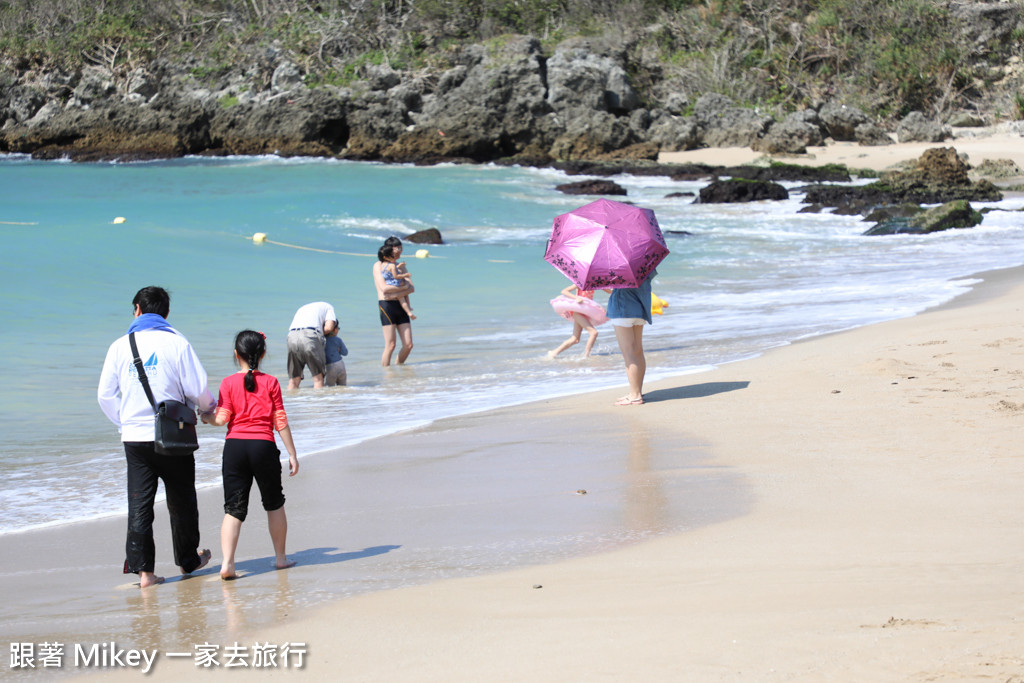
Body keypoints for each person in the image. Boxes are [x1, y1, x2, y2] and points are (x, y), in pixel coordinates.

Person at [97, 286, 215, 588]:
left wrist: (125, 422)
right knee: (182, 500)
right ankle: (189, 560)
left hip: (135, 438)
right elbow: (198, 388)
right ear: (167, 312)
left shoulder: (119, 346)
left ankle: (144, 573)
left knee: (139, 503)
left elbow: (104, 396)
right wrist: (207, 410)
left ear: (136, 309)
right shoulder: (177, 343)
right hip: (173, 434)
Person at [202, 330, 299, 580]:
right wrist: (292, 453)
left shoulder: (227, 383)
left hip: (235, 448)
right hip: (263, 447)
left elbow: (222, 419)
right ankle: (280, 559)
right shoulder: (271, 382)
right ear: (263, 354)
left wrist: (205, 417)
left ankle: (228, 564)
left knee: (233, 509)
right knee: (274, 503)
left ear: (236, 355)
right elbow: (280, 420)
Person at [606, 270, 657, 406]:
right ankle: (636, 392)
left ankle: (635, 395)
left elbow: (610, 288)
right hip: (640, 309)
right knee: (637, 352)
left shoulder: (617, 268)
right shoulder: (645, 265)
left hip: (622, 310)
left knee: (629, 354)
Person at [373, 236, 415, 366]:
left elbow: (411, 288)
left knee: (408, 345)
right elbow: (384, 288)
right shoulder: (378, 265)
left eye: (401, 248)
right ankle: (386, 375)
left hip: (401, 306)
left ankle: (398, 369)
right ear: (389, 249)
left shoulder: (401, 266)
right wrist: (403, 288)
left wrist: (397, 292)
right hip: (387, 306)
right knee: (390, 345)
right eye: (397, 248)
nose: (399, 251)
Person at [548, 283, 611, 359]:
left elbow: (610, 291)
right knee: (593, 333)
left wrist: (620, 289)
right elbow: (564, 291)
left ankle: (553, 353)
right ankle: (586, 356)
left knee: (575, 339)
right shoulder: (580, 283)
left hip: (584, 313)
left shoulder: (594, 284)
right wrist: (576, 298)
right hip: (577, 312)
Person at [286, 301, 338, 389]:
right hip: (310, 336)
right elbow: (329, 327)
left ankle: (292, 401)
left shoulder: (302, 308)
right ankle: (318, 402)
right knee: (318, 378)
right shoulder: (329, 307)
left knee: (293, 379)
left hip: (291, 336)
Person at [379, 244, 416, 320]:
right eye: (392, 256)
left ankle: (408, 308)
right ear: (386, 257)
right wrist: (405, 275)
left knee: (402, 296)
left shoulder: (382, 265)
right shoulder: (392, 265)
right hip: (395, 282)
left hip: (388, 283)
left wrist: (399, 266)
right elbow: (395, 276)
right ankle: (409, 311)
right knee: (404, 293)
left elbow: (390, 271)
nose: (394, 257)